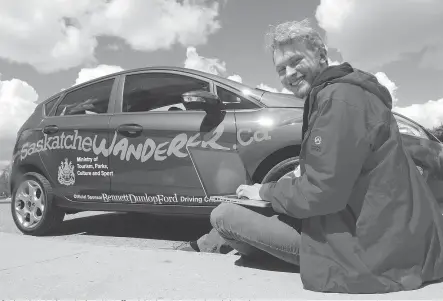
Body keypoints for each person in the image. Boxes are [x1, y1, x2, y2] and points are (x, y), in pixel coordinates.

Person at [207, 19, 443, 294]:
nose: (289, 74)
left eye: (296, 61)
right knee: (249, 211)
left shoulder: (337, 99)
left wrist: (266, 191)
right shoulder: (348, 91)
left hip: (368, 250)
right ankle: (209, 244)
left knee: (224, 215)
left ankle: (211, 248)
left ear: (321, 55)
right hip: (388, 233)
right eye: (281, 69)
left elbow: (321, 193)